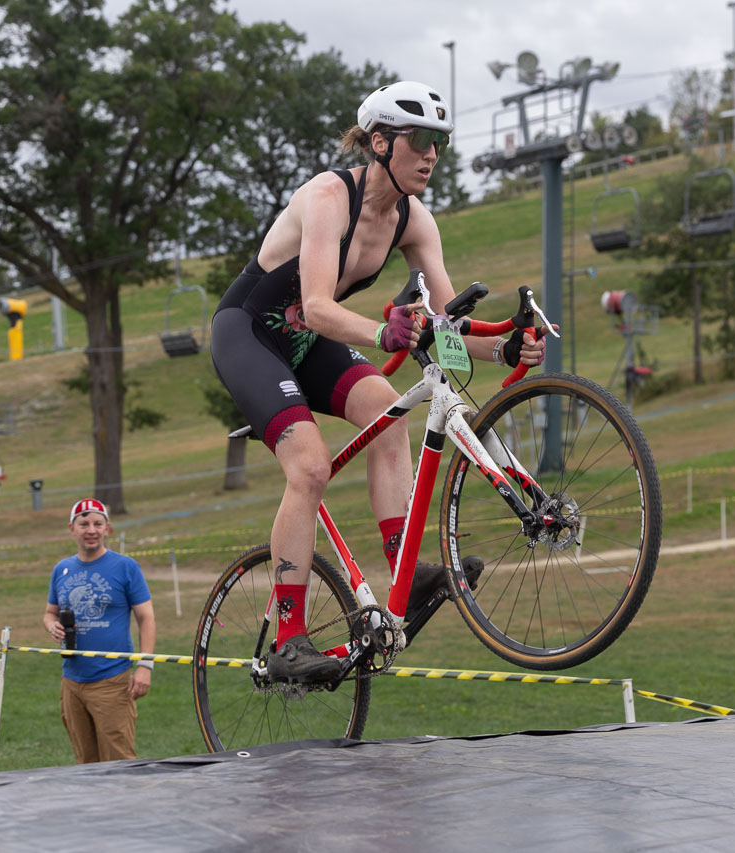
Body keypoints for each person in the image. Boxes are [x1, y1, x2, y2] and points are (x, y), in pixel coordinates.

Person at [209, 81, 548, 685]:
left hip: (309, 343)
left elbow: (447, 327)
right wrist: (384, 331)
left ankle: (406, 574)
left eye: (439, 144)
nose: (431, 156)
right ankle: (288, 639)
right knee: (309, 467)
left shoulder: (416, 221)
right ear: (381, 143)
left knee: (390, 417)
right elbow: (315, 306)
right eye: (419, 141)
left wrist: (503, 346)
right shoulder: (326, 197)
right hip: (249, 335)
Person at [43, 498, 156, 763]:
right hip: (71, 681)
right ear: (72, 529)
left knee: (119, 762)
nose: (91, 530)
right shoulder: (62, 569)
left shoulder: (125, 567)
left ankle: (124, 806)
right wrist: (52, 625)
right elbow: (49, 612)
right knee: (86, 764)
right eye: (84, 524)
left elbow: (146, 618)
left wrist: (145, 666)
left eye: (97, 523)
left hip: (112, 681)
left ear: (108, 529)